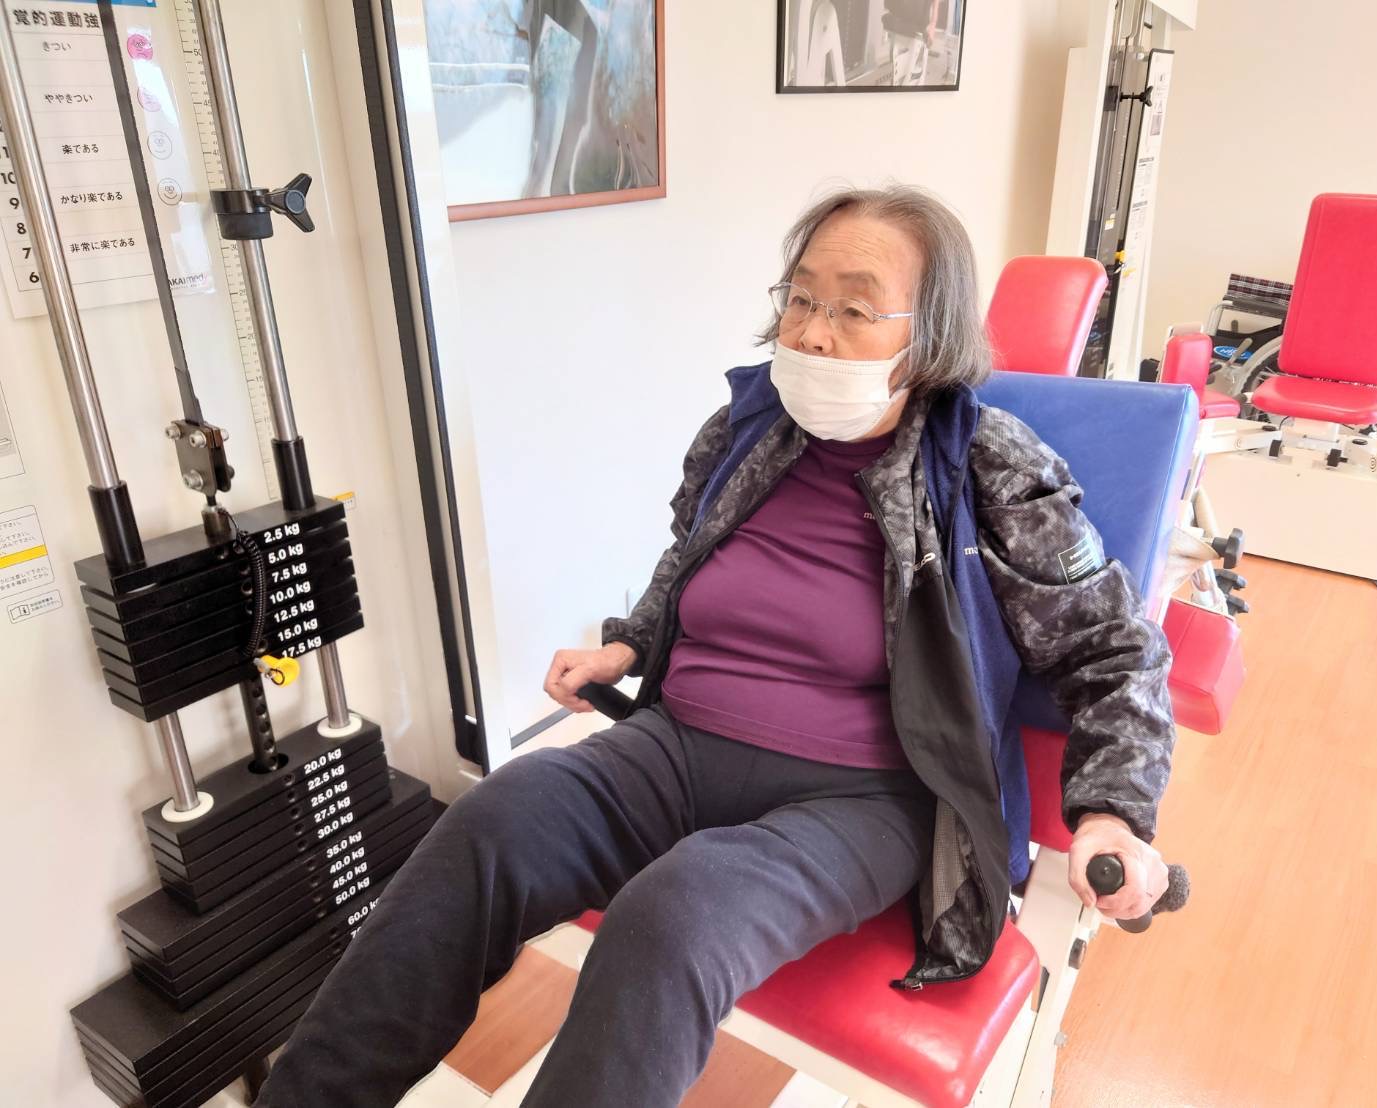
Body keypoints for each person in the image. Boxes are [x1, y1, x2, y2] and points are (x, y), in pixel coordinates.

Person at [256, 185, 1175, 1107]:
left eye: (853, 311)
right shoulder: (748, 429)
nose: (811, 334)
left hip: (862, 795)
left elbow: (1111, 652)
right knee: (487, 824)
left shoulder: (992, 465)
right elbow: (688, 558)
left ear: (928, 338)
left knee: (671, 917)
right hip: (676, 747)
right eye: (801, 297)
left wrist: (1111, 811)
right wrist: (628, 645)